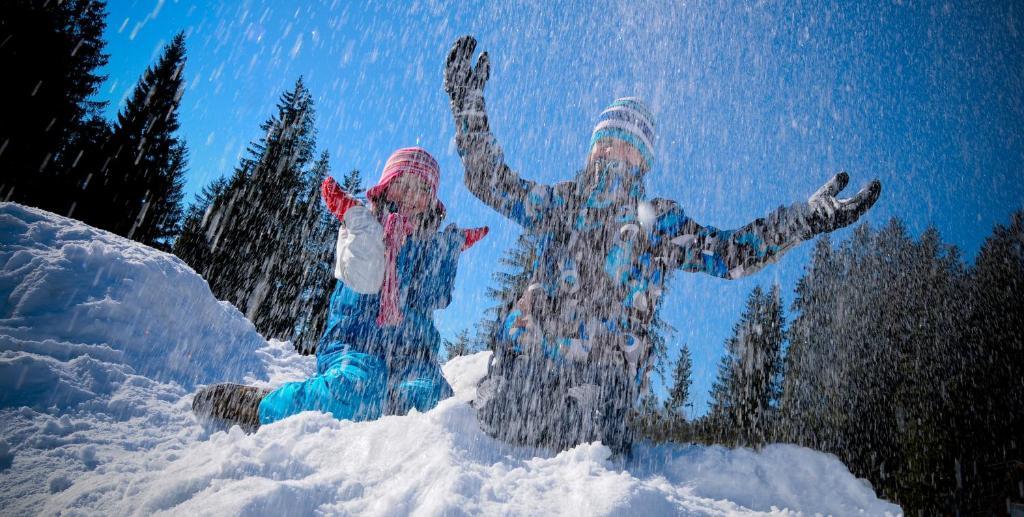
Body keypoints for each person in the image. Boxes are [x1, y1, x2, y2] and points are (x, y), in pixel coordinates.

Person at [443, 36, 881, 453]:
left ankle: (578, 416)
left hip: (605, 377)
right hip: (537, 357)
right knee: (510, 415)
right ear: (592, 151)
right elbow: (493, 182)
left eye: (627, 147)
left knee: (587, 438)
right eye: (605, 143)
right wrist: (469, 109)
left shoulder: (659, 224)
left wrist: (803, 221)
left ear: (643, 161)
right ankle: (521, 392)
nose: (614, 152)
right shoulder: (562, 204)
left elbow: (730, 255)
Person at [192, 147, 488, 430]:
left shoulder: (429, 248)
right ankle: (264, 405)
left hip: (412, 358)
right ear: (385, 187)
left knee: (433, 403)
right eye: (403, 184)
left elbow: (433, 295)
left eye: (423, 190)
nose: (411, 196)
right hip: (354, 346)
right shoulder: (362, 227)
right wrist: (365, 227)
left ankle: (386, 407)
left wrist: (447, 248)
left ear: (432, 201)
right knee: (357, 392)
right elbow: (365, 278)